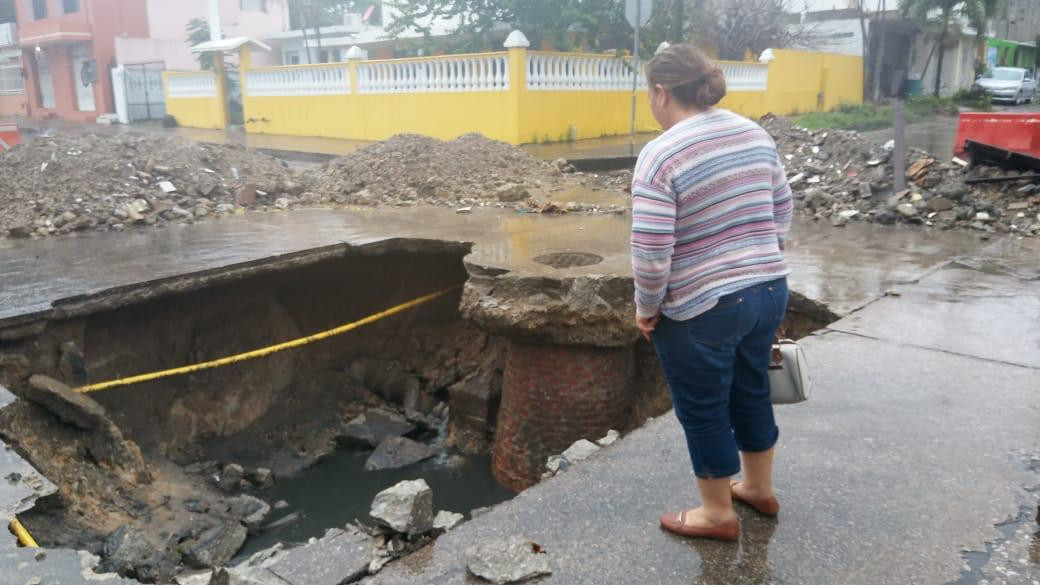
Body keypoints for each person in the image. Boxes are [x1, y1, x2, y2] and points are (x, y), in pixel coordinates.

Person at [630, 44, 793, 542]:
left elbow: (652, 249)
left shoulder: (662, 154)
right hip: (768, 290)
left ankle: (717, 513)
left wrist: (647, 307)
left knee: (703, 408)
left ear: (661, 92)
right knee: (751, 387)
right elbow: (782, 206)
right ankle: (758, 488)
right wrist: (761, 258)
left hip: (705, 307)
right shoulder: (753, 132)